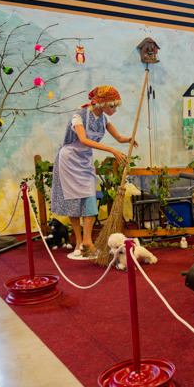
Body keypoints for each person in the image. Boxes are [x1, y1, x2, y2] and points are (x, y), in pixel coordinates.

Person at [50, 86, 136, 258]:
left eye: (116, 106)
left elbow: (118, 137)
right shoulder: (79, 116)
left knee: (89, 198)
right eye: (112, 106)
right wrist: (111, 150)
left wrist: (129, 140)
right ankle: (79, 242)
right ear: (101, 104)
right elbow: (83, 139)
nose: (115, 109)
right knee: (73, 200)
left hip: (84, 160)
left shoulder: (103, 119)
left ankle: (87, 241)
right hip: (69, 160)